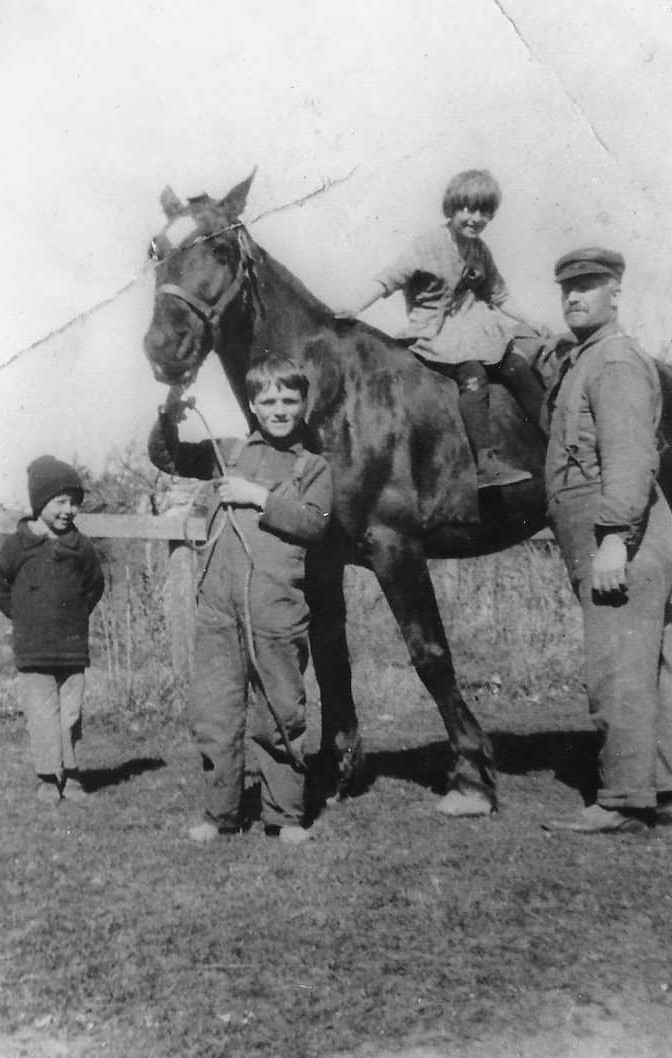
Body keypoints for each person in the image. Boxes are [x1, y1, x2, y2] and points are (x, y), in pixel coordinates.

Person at [148, 354, 333, 846]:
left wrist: (258, 497)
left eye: (289, 400)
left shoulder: (312, 466)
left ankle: (286, 816)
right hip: (218, 609)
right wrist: (168, 413)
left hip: (276, 609)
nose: (278, 409)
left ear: (303, 406)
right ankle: (219, 814)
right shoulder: (225, 451)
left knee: (281, 713)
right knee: (216, 714)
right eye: (268, 400)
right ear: (252, 404)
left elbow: (315, 524)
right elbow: (167, 457)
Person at [542, 247, 672, 833]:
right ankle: (661, 787)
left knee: (617, 664)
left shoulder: (614, 362)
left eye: (589, 285)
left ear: (615, 293)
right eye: (567, 287)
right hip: (622, 532)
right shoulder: (587, 359)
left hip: (621, 535)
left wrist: (616, 538)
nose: (574, 295)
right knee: (652, 664)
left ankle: (622, 799)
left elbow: (628, 458)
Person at [337, 169, 546, 488]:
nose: (476, 218)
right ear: (452, 207)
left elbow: (498, 294)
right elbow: (389, 279)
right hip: (433, 336)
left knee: (517, 365)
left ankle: (557, 436)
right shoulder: (430, 244)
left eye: (484, 211)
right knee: (473, 372)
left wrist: (531, 321)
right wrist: (355, 306)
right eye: (468, 209)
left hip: (472, 330)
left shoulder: (479, 250)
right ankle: (486, 463)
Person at [0, 456, 104, 805]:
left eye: (74, 502)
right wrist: (24, 616)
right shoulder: (16, 546)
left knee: (70, 713)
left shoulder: (81, 546)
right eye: (60, 501)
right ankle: (47, 777)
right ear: (39, 502)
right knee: (42, 714)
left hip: (72, 648)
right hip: (33, 649)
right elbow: (1, 585)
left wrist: (74, 616)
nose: (69, 510)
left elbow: (94, 585)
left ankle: (71, 775)